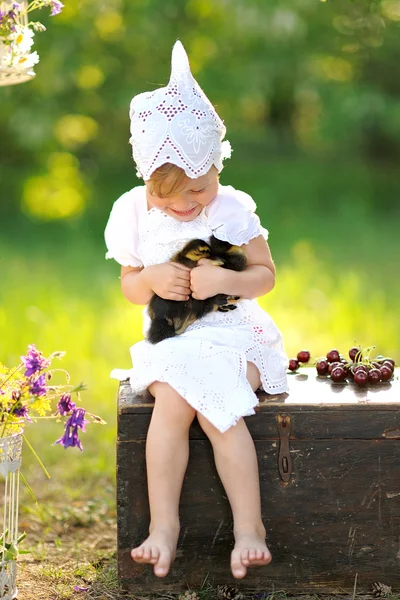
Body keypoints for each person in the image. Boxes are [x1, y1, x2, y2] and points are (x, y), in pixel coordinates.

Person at [105, 41, 289, 580]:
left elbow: (265, 276)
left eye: (199, 189)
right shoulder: (132, 213)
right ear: (146, 182)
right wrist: (151, 277)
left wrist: (227, 278)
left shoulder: (233, 208)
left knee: (219, 410)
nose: (186, 205)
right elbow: (130, 289)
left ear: (215, 164)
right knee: (171, 408)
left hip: (236, 335)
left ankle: (249, 528)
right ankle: (164, 526)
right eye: (170, 198)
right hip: (175, 340)